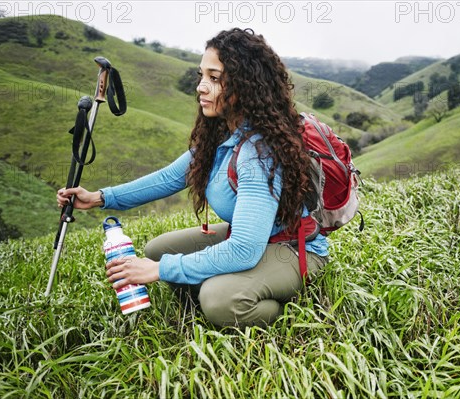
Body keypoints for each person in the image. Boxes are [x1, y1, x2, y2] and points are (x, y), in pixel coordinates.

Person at [56, 28, 329, 328]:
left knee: (218, 300)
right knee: (158, 249)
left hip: (291, 248)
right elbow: (167, 178)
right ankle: (220, 287)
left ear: (246, 84)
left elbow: (244, 250)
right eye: (201, 75)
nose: (201, 86)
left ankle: (279, 310)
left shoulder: (258, 154)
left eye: (214, 78)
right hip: (257, 239)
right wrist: (100, 198)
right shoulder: (224, 134)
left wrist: (160, 270)